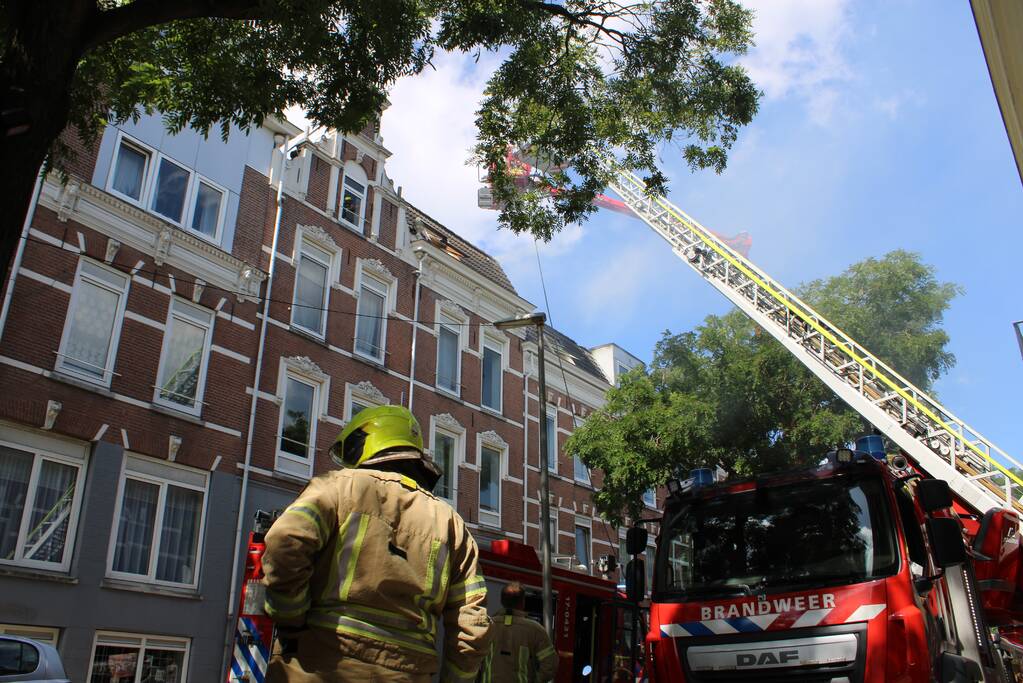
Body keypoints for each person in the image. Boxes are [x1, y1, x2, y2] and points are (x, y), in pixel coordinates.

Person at [262, 405, 492, 682]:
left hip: (318, 665)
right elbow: (472, 624)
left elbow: (285, 545)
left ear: (364, 443)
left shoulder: (336, 487)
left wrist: (292, 619)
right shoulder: (452, 525)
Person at [478, 582, 557, 683]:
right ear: (522, 602)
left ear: (502, 600)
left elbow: (472, 661)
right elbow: (550, 665)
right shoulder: (536, 630)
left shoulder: (486, 626)